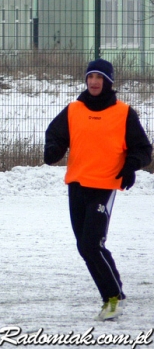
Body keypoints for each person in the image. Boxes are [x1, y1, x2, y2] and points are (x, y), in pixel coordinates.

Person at [44, 58, 151, 321]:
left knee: (91, 244)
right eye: (91, 77)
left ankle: (112, 298)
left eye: (99, 78)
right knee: (86, 245)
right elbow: (55, 134)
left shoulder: (124, 113)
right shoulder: (74, 109)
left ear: (108, 82)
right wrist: (53, 149)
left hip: (105, 186)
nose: (94, 82)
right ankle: (117, 291)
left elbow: (144, 150)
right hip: (78, 183)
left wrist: (130, 166)